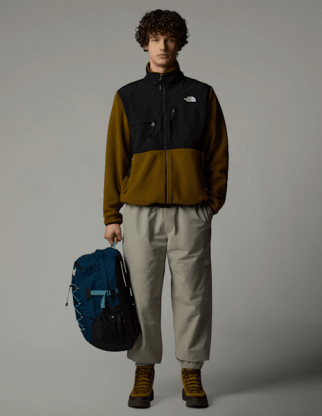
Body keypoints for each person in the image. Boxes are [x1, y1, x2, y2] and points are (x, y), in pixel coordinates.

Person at [103, 9, 228, 409]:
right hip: (140, 215)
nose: (163, 45)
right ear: (145, 43)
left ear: (179, 43)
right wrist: (112, 215)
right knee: (142, 296)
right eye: (156, 38)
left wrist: (211, 203)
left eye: (170, 38)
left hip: (191, 213)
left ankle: (192, 370)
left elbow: (218, 152)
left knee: (193, 295)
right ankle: (144, 370)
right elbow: (115, 159)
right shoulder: (127, 97)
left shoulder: (202, 94)